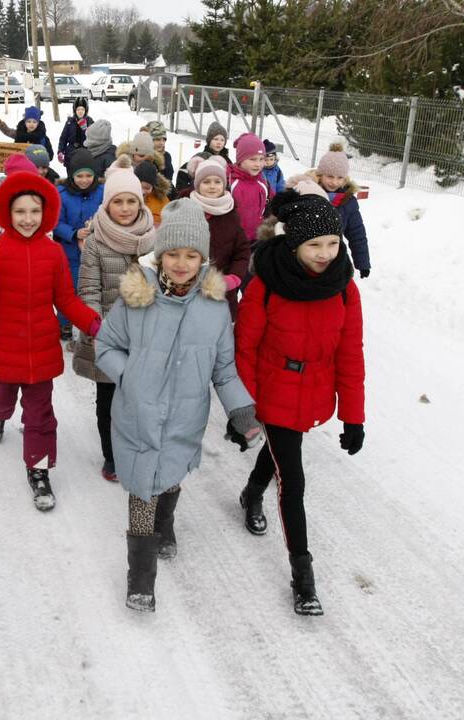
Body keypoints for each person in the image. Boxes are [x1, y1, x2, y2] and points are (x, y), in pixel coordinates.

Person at [95, 198, 260, 612]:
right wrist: (128, 374)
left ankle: (165, 525)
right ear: (160, 254)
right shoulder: (137, 297)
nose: (182, 263)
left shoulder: (215, 308)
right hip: (138, 414)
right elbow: (105, 346)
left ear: (203, 258)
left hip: (186, 417)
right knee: (140, 491)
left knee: (169, 478)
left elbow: (223, 370)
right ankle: (140, 579)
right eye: (173, 254)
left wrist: (242, 410)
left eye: (191, 255)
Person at [234, 180, 365, 617]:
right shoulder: (266, 283)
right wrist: (243, 411)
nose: (325, 253)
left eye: (332, 242)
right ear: (293, 243)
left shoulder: (344, 285)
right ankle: (303, 576)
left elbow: (350, 352)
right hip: (273, 391)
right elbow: (245, 347)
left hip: (314, 392)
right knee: (294, 481)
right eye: (314, 245)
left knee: (280, 452)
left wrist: (354, 416)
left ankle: (251, 493)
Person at [0, 171, 102, 512]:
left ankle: (38, 469)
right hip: (1, 349)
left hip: (40, 353)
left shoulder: (52, 254)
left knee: (40, 416)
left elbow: (66, 301)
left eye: (34, 211)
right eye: (20, 211)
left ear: (46, 212)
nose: (27, 219)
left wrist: (95, 325)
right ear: (7, 213)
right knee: (0, 401)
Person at [72, 161, 156, 481]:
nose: (125, 208)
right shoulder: (96, 240)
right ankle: (112, 456)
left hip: (145, 337)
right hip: (107, 335)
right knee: (108, 400)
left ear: (141, 202)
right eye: (117, 201)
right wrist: (102, 333)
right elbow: (89, 289)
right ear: (107, 204)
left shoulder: (152, 237)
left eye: (131, 200)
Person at [178, 156, 250, 319]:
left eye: (217, 182)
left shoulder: (231, 213)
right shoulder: (183, 208)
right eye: (206, 182)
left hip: (220, 292)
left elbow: (242, 252)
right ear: (197, 184)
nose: (212, 186)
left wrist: (233, 278)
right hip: (185, 289)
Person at [54, 148, 105, 342]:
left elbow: (108, 213)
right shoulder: (62, 194)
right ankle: (64, 323)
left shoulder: (101, 192)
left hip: (96, 249)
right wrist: (74, 233)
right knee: (70, 289)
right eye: (79, 176)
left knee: (94, 289)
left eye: (88, 175)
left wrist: (97, 225)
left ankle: (92, 323)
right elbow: (56, 222)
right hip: (70, 253)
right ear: (71, 175)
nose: (84, 180)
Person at [309, 142, 371, 279]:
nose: (334, 182)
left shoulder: (348, 202)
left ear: (345, 179)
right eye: (330, 176)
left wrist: (362, 263)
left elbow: (357, 234)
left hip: (334, 255)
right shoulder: (307, 194)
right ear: (320, 175)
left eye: (339, 178)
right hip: (309, 255)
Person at [228, 132, 270, 243]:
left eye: (261, 159)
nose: (258, 164)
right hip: (233, 241)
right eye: (253, 159)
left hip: (255, 239)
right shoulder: (231, 183)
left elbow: (269, 206)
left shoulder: (263, 182)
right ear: (240, 160)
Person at [58, 97, 93, 164]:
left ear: (86, 110)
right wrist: (60, 151)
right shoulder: (70, 122)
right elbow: (63, 138)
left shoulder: (90, 121)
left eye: (82, 109)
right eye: (78, 109)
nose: (80, 111)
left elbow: (93, 139)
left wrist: (85, 130)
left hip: (85, 154)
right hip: (71, 154)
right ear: (75, 110)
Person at [135, 159, 170, 226]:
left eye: (147, 188)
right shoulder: (129, 195)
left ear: (153, 186)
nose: (143, 191)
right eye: (140, 187)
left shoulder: (162, 200)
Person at [144, 120, 175, 187]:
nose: (161, 143)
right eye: (157, 139)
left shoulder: (166, 156)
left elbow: (169, 181)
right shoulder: (143, 157)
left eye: (164, 139)